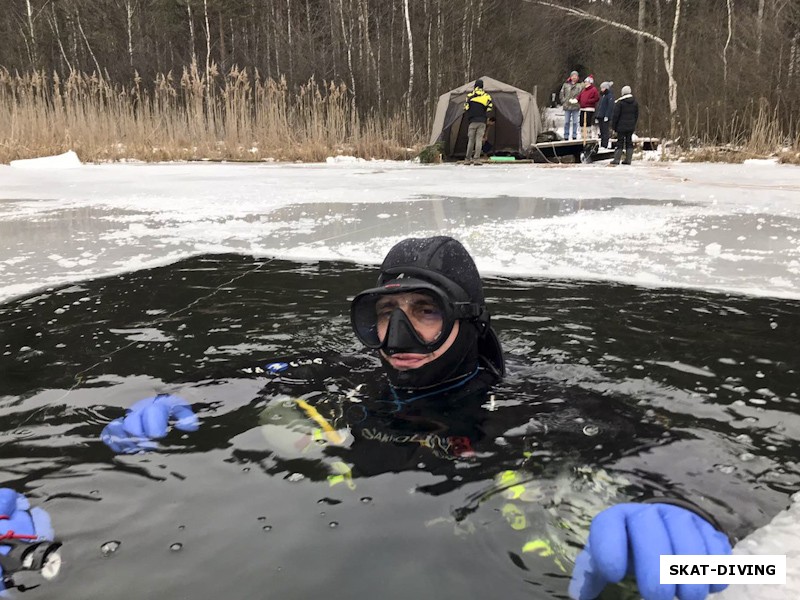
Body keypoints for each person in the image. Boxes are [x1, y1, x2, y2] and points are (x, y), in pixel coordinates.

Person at [97, 236, 736, 600]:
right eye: (384, 312)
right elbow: (251, 383)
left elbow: (685, 460)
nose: (396, 334)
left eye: (423, 310)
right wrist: (185, 409)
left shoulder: (542, 408)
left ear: (467, 318)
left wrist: (702, 532)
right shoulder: (342, 385)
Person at [463, 79, 494, 164]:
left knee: (471, 140)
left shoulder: (469, 96)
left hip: (472, 121)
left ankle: (467, 159)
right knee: (479, 140)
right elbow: (489, 108)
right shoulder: (487, 96)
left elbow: (465, 108)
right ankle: (476, 159)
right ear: (482, 86)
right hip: (482, 122)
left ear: (475, 86)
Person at [611, 84, 639, 165]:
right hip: (631, 126)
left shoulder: (620, 103)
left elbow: (616, 115)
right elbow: (636, 115)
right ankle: (628, 159)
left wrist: (614, 126)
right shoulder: (635, 103)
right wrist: (633, 123)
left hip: (621, 126)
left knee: (620, 142)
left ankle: (616, 159)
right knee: (629, 142)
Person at [559, 71, 583, 140]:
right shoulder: (565, 85)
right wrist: (564, 101)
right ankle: (566, 135)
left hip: (576, 106)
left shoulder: (580, 86)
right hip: (567, 106)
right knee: (566, 122)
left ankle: (574, 135)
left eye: (575, 76)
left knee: (575, 122)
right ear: (570, 77)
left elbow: (582, 95)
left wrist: (579, 102)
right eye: (573, 76)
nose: (574, 77)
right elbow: (561, 94)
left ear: (577, 77)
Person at [595, 81, 614, 149]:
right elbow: (598, 106)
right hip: (600, 116)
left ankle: (605, 144)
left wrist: (607, 115)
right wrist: (597, 116)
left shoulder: (609, 95)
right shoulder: (601, 96)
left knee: (605, 131)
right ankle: (602, 144)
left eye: (603, 88)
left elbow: (610, 106)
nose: (602, 89)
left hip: (605, 116)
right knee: (601, 131)